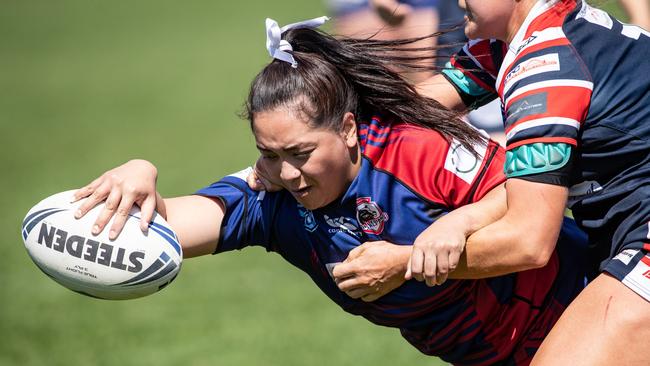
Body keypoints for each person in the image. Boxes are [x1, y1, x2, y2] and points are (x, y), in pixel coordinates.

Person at [71, 17, 589, 365]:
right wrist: (140, 176)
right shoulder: (274, 202)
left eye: (300, 152)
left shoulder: (415, 151)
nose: (289, 174)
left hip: (580, 307)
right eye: (270, 154)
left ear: (346, 130)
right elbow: (160, 233)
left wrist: (416, 253)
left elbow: (532, 199)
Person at [341, 0, 650, 364]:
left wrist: (405, 262)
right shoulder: (520, 41)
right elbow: (409, 110)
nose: (458, 2)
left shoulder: (544, 70)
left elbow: (528, 241)